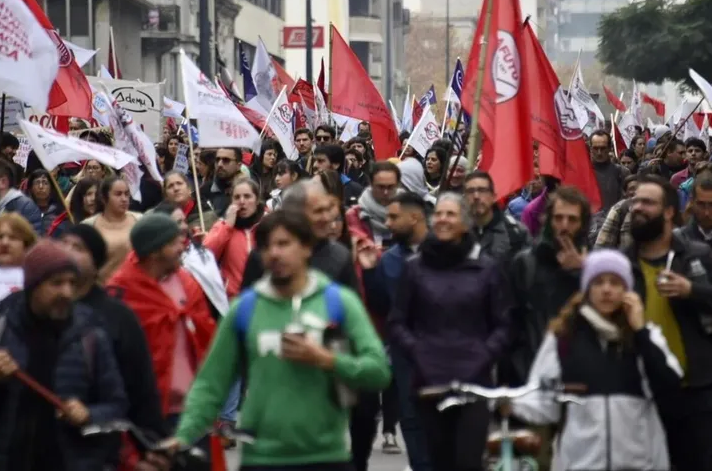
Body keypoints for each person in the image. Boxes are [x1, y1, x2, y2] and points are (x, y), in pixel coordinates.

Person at [169, 210, 391, 467]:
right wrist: (183, 437)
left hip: (327, 456)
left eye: (284, 244)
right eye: (267, 246)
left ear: (307, 248)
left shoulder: (339, 301)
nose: (275, 253)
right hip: (261, 459)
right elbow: (210, 385)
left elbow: (378, 371)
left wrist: (328, 360)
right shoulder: (244, 309)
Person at [0, 240, 128, 471]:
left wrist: (89, 415)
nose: (66, 292)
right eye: (56, 283)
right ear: (33, 286)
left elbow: (117, 405)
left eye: (71, 283)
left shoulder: (91, 337)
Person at [510, 249, 683, 471]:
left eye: (615, 282)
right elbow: (542, 401)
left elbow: (670, 387)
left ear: (627, 290)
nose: (607, 289)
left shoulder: (646, 337)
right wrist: (509, 403)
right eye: (599, 282)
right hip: (580, 463)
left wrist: (640, 332)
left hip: (638, 463)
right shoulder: (564, 338)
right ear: (587, 289)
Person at [389, 193, 513, 471]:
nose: (443, 219)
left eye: (451, 214)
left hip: (474, 382)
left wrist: (484, 354)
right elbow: (397, 322)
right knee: (438, 461)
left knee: (468, 462)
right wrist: (418, 350)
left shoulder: (486, 270)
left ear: (466, 224)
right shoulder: (415, 269)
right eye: (439, 214)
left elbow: (503, 325)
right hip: (430, 381)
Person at [625, 175, 712, 471]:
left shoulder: (695, 256)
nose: (637, 207)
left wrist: (692, 291)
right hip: (639, 395)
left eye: (647, 202)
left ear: (668, 212)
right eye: (635, 201)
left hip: (696, 393)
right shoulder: (621, 264)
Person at [59, 225, 168, 451]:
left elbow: (140, 387)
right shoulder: (40, 309)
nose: (67, 251)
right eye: (63, 244)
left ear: (96, 262)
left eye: (77, 247)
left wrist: (151, 442)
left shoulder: (118, 316)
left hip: (103, 446)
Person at [107, 213, 216, 429]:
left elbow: (207, 335)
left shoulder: (187, 283)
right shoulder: (120, 292)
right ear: (155, 251)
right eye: (175, 243)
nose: (182, 248)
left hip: (194, 409)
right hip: (147, 411)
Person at [361, 191, 432, 470]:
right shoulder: (389, 259)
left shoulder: (443, 252)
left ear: (414, 217)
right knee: (411, 418)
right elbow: (381, 305)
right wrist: (369, 272)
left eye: (393, 217)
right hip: (403, 353)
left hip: (440, 351)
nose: (387, 223)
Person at [507, 186, 592, 386]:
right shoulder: (525, 263)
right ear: (548, 220)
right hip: (529, 374)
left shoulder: (594, 268)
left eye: (572, 220)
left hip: (578, 378)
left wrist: (580, 274)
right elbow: (511, 324)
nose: (564, 226)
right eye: (558, 218)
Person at [241, 179, 360, 292]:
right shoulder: (265, 256)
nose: (327, 218)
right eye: (318, 211)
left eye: (327, 210)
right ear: (295, 215)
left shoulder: (340, 256)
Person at [202, 178, 263, 299]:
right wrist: (227, 226)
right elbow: (206, 255)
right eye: (237, 197)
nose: (242, 201)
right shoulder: (223, 226)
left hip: (262, 300)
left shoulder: (267, 225)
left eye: (247, 196)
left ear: (256, 200)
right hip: (232, 300)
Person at [82, 176, 142, 283]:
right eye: (118, 194)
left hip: (135, 290)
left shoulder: (140, 221)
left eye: (126, 194)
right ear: (104, 198)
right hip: (104, 291)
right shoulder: (89, 226)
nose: (124, 199)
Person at [464, 170, 531, 264]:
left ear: (494, 196)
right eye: (470, 191)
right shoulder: (456, 231)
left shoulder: (515, 231)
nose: (476, 196)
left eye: (482, 190)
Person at [347, 162, 402, 248]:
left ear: (398, 185)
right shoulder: (354, 215)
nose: (385, 192)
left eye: (390, 187)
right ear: (371, 184)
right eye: (380, 187)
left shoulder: (408, 211)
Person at [589, 130, 630, 212]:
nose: (599, 153)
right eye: (596, 148)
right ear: (590, 149)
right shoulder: (583, 173)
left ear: (609, 148)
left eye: (603, 148)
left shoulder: (622, 172)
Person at [312, 144, 364, 208]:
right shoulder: (310, 188)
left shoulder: (355, 190)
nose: (315, 165)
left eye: (320, 161)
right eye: (314, 161)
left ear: (336, 164)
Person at [200, 148, 245, 217]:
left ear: (238, 165)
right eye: (217, 160)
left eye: (226, 160)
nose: (219, 164)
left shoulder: (247, 192)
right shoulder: (205, 190)